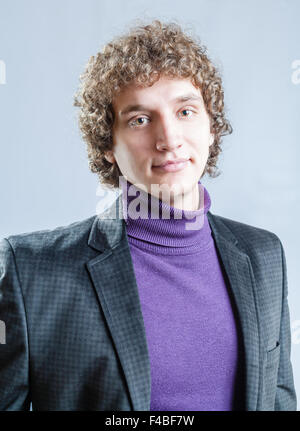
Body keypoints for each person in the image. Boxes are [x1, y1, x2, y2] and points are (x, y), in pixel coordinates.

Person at [0, 20, 297, 411]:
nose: (169, 138)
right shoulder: (32, 269)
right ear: (108, 144)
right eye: (140, 119)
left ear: (211, 127)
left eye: (186, 111)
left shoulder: (264, 254)